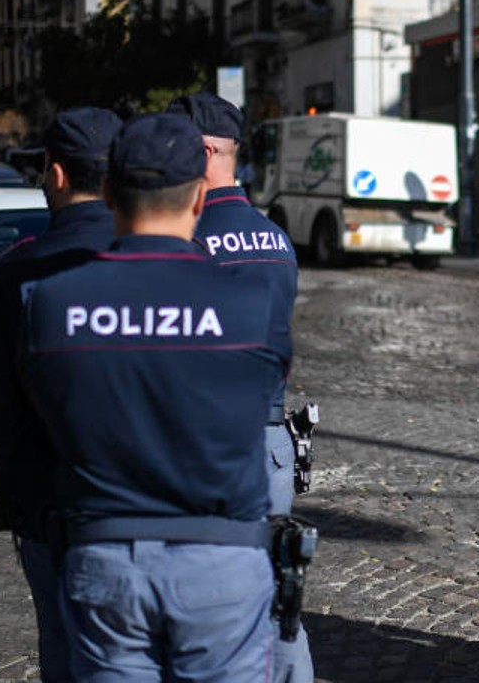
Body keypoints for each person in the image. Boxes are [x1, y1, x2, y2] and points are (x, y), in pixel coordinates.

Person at [19, 113, 289, 681]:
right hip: (221, 558)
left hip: (106, 554)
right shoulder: (249, 304)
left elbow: (50, 414)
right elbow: (259, 398)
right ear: (199, 198)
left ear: (110, 193)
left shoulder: (52, 303)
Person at [0, 106, 123, 683]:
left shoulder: (12, 273)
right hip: (151, 510)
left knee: (64, 649)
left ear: (56, 176)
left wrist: (30, 490)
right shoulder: (167, 264)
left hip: (51, 511)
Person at [166, 91, 311, 682]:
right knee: (280, 601)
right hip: (271, 441)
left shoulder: (184, 236)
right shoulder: (274, 236)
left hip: (205, 448)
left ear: (202, 152)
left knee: (203, 604)